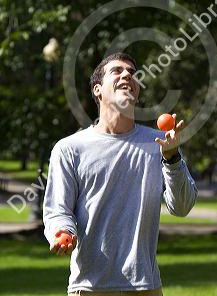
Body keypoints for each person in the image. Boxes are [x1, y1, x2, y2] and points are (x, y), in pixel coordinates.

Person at [43, 52, 198, 296]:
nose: (128, 75)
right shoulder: (70, 148)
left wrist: (172, 158)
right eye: (117, 71)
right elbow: (58, 210)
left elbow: (182, 207)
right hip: (90, 286)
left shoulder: (158, 143)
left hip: (145, 286)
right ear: (97, 90)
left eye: (133, 73)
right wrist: (63, 232)